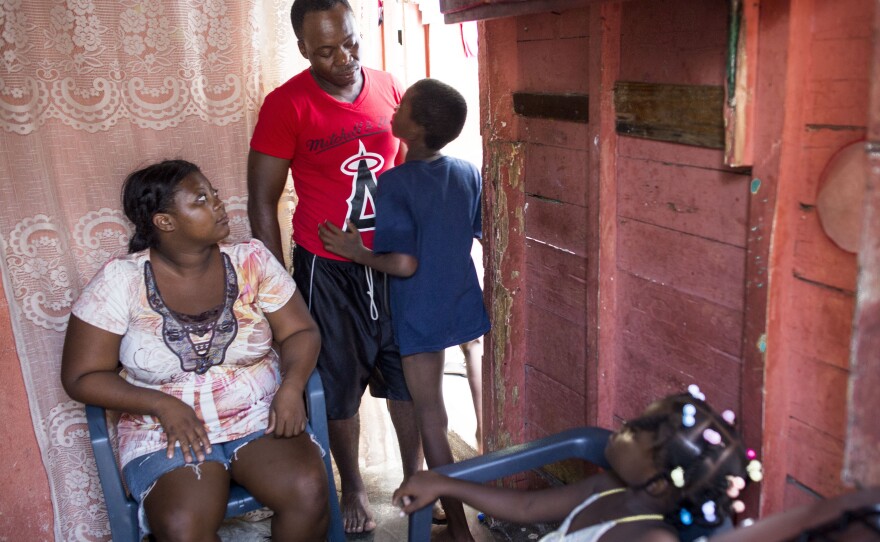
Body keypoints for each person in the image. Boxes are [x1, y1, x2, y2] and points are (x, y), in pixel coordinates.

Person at [60, 160, 329, 541]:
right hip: (161, 428)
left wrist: (291, 386)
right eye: (200, 200)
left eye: (214, 195)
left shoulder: (251, 260)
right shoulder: (120, 281)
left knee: (308, 492)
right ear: (164, 222)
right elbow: (81, 376)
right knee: (183, 527)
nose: (218, 205)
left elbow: (300, 331)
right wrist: (161, 404)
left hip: (258, 413)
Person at [246, 0, 421, 533]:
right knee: (338, 382)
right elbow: (261, 201)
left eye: (349, 42)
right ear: (303, 49)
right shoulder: (286, 105)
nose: (343, 57)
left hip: (389, 261)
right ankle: (354, 486)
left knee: (406, 374)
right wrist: (279, 292)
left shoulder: (389, 87)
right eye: (325, 51)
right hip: (327, 270)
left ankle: (415, 480)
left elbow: (409, 167)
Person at [319, 77, 491, 542]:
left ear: (411, 130)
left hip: (420, 312)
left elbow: (404, 262)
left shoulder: (393, 184)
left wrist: (356, 252)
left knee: (432, 420)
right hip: (461, 300)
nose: (393, 109)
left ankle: (459, 528)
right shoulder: (468, 171)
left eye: (404, 106)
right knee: (447, 412)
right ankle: (472, 509)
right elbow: (475, 231)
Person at [393, 388, 763, 542]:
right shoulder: (609, 486)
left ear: (658, 484)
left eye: (634, 431)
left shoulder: (652, 538)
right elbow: (527, 507)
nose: (621, 428)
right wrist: (444, 484)